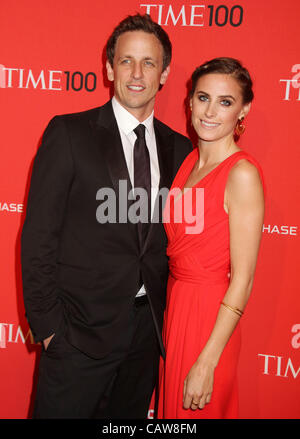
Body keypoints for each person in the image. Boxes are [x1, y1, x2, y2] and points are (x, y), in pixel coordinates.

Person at [21, 13, 192, 419]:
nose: (137, 73)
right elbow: (38, 236)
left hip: (145, 339)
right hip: (76, 337)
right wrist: (48, 329)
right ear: (109, 67)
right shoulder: (68, 133)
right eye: (126, 60)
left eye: (148, 62)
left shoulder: (181, 149)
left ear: (164, 73)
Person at [157, 57, 265, 418]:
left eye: (225, 101)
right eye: (203, 98)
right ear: (189, 102)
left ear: (243, 109)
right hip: (177, 309)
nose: (210, 112)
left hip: (209, 320)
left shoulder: (242, 175)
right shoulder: (188, 162)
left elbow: (244, 280)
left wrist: (207, 360)